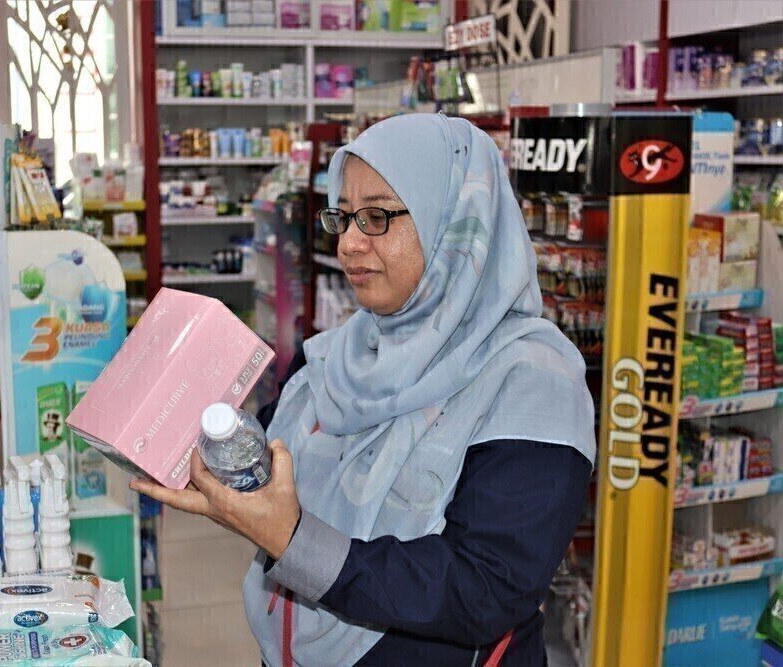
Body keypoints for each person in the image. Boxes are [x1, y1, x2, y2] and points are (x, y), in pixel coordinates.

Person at [130, 113, 595, 666]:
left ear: (455, 223)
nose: (348, 243)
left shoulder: (534, 380)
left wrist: (295, 542)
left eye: (376, 217)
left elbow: (487, 587)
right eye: (344, 216)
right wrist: (189, 447)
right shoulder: (339, 354)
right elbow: (265, 464)